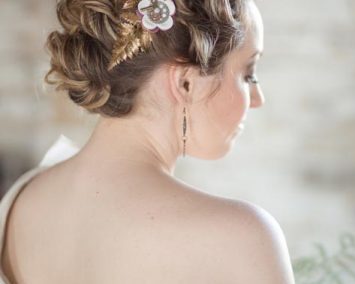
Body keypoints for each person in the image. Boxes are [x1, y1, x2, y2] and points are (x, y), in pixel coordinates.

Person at [0, 0, 296, 282]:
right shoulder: (244, 238)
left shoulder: (21, 199)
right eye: (248, 73)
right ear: (185, 83)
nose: (257, 99)